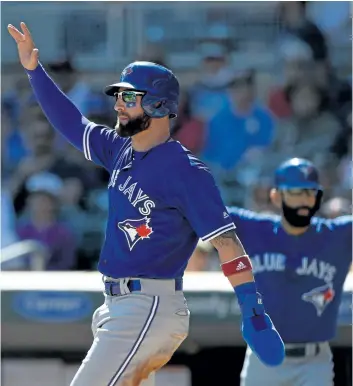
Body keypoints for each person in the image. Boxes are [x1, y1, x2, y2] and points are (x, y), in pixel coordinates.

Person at [8, 22, 284, 386]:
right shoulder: (121, 148)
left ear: (157, 104)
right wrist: (33, 69)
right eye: (118, 97)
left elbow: (226, 242)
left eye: (128, 98)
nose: (118, 105)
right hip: (118, 306)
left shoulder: (186, 170)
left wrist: (253, 310)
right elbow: (71, 122)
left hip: (149, 305)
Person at [226, 158, 352, 386]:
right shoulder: (253, 228)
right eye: (295, 192)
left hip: (315, 363)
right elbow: (200, 209)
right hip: (263, 357)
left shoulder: (338, 235)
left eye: (309, 192)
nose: (303, 200)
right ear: (276, 196)